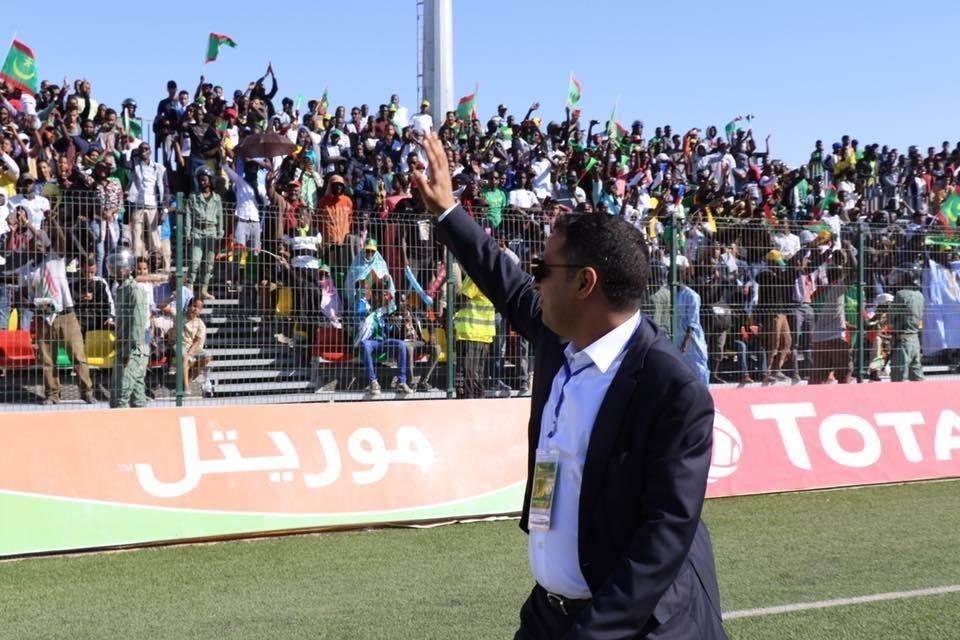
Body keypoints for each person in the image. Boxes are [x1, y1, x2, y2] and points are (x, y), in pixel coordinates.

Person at [413, 132, 726, 639]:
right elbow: (503, 279)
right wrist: (448, 211)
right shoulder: (560, 336)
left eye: (543, 269)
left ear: (585, 283)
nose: (533, 278)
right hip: (550, 615)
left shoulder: (672, 389)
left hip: (635, 626)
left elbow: (665, 536)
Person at [108, 250, 150, 408]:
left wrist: (127, 351)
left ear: (128, 268)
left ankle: (119, 423)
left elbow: (138, 324)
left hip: (133, 349)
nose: (115, 269)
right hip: (125, 347)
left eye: (119, 266)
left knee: (120, 396)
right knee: (137, 397)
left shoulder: (134, 290)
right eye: (114, 266)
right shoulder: (121, 289)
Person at [184, 166, 224, 299]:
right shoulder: (193, 197)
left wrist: (220, 233)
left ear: (210, 181)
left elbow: (220, 216)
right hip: (197, 231)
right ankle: (189, 289)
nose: (203, 182)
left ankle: (203, 290)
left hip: (211, 232)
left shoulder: (217, 198)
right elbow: (188, 215)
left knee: (209, 263)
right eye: (200, 180)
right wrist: (187, 233)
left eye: (205, 180)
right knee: (195, 261)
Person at [888, 265, 925, 382]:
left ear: (906, 276)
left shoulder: (901, 294)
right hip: (915, 339)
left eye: (900, 274)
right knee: (917, 376)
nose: (898, 277)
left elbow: (890, 319)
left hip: (902, 341)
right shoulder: (920, 295)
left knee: (899, 377)